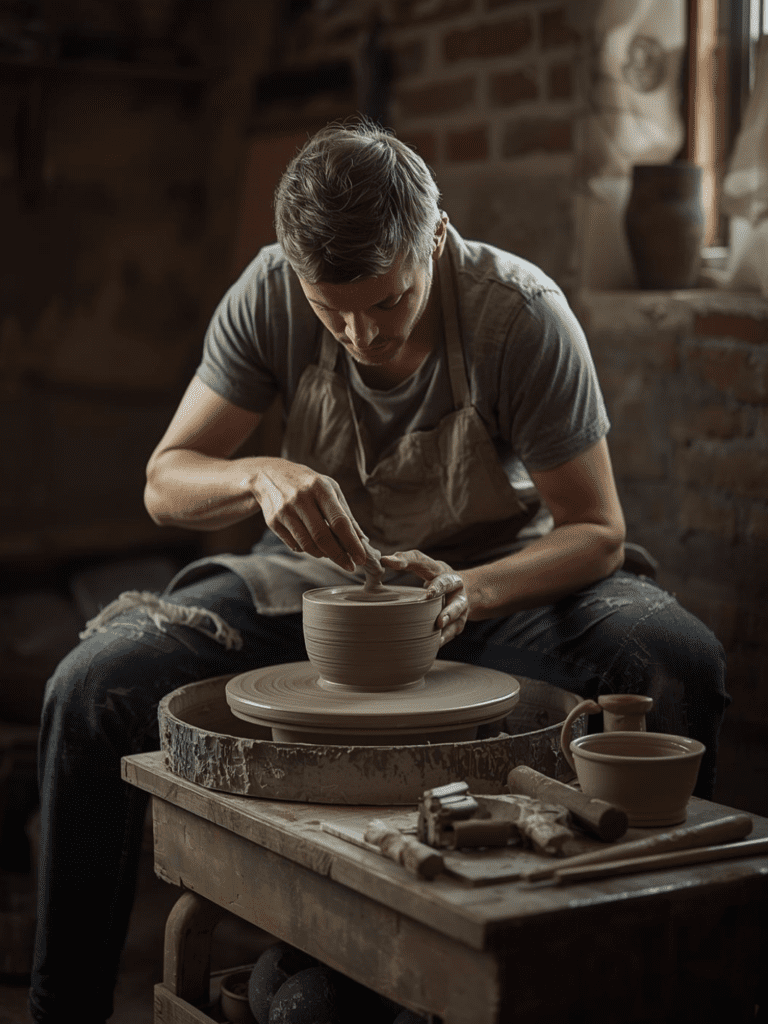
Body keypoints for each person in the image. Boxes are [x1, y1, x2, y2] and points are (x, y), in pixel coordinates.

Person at [29, 119, 728, 1023]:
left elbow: (595, 530)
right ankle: (61, 1010)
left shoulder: (519, 314)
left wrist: (469, 591)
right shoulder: (271, 293)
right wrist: (256, 472)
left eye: (387, 303)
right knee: (89, 686)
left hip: (489, 581)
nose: (360, 334)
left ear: (433, 241)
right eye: (332, 310)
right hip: (310, 585)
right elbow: (167, 481)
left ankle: (640, 986)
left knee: (673, 656)